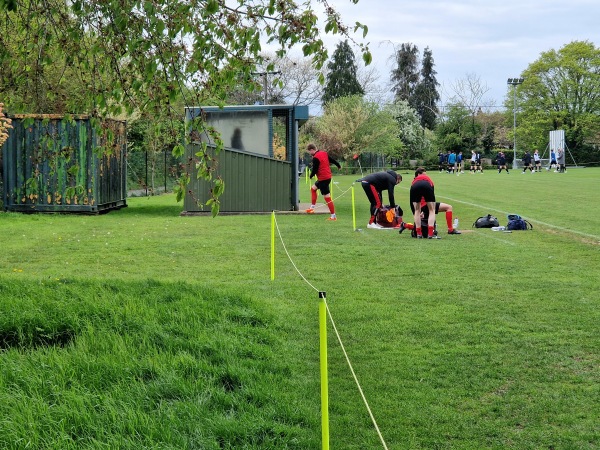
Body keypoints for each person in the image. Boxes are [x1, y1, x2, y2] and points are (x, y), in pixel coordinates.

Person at [305, 143, 340, 221]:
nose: (310, 154)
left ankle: (333, 216)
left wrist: (311, 176)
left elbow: (315, 169)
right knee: (313, 189)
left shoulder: (315, 157)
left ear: (312, 150)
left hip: (323, 179)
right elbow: (332, 160)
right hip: (325, 177)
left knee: (327, 198)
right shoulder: (324, 153)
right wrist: (338, 165)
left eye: (309, 152)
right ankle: (312, 208)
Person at [406, 167, 439, 239]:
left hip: (415, 186)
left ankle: (418, 233)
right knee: (432, 210)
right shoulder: (428, 178)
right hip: (427, 185)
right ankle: (430, 233)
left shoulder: (414, 181)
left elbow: (411, 201)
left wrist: (414, 212)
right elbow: (432, 190)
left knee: (417, 211)